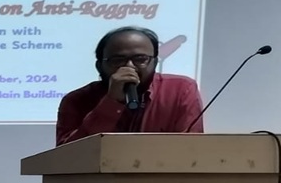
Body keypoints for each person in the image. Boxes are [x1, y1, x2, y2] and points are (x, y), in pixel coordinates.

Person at [56, 27, 205, 145]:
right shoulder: (76, 100)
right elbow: (67, 156)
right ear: (99, 66)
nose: (129, 67)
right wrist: (111, 102)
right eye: (117, 60)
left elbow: (190, 148)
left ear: (154, 63)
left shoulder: (181, 90)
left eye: (140, 59)